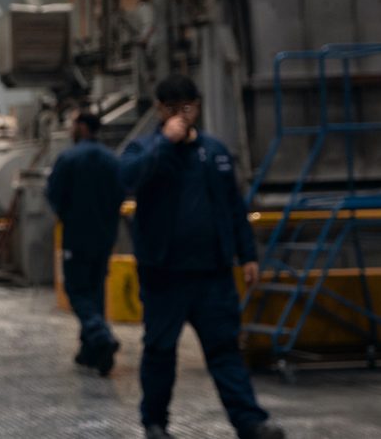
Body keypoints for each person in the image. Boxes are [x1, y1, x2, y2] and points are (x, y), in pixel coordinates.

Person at [118, 75, 286, 439]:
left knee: (224, 348)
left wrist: (247, 254)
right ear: (160, 110)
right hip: (164, 274)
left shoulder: (216, 153)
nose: (183, 115)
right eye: (174, 109)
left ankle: (250, 422)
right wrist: (164, 143)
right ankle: (155, 423)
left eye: (188, 108)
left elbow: (232, 207)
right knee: (160, 350)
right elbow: (127, 178)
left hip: (213, 273)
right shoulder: (144, 149)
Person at [45, 110, 125, 376]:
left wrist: (67, 215)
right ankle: (90, 351)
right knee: (95, 289)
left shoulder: (69, 158)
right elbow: (121, 193)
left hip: (77, 236)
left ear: (81, 126)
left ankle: (100, 336)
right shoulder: (111, 159)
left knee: (77, 290)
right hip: (105, 236)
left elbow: (54, 194)